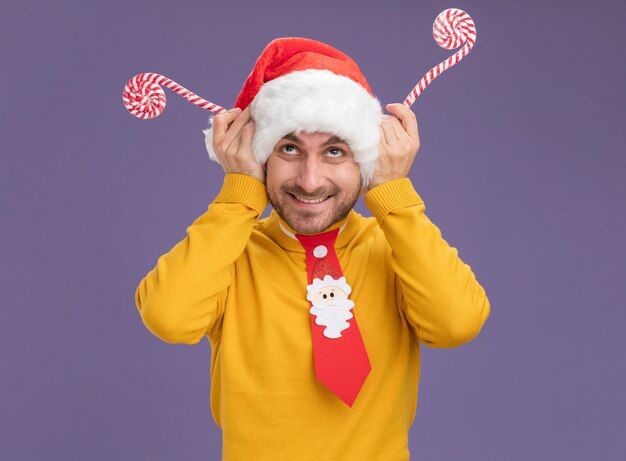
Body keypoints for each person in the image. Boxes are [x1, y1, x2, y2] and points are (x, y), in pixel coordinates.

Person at [135, 37, 490, 460]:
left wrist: (394, 194)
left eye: (335, 152)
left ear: (365, 159)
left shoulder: (397, 247)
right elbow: (167, 317)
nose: (309, 179)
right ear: (258, 154)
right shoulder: (230, 251)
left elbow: (457, 324)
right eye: (289, 148)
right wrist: (239, 194)